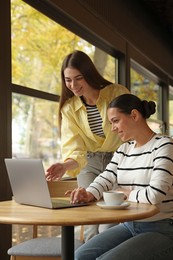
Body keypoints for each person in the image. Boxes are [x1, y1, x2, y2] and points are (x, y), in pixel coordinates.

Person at [70, 93, 173, 260]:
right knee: (80, 255)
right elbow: (106, 177)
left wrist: (125, 193)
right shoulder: (124, 149)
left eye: (115, 121)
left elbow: (155, 194)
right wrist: (88, 193)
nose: (113, 128)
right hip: (129, 225)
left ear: (134, 115)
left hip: (161, 228)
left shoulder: (164, 145)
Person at [46, 50, 129, 241]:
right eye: (68, 80)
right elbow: (75, 148)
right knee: (89, 222)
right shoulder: (69, 109)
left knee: (109, 222)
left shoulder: (117, 93)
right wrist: (64, 166)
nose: (73, 85)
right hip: (88, 164)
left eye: (78, 78)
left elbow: (132, 129)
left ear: (89, 74)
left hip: (119, 161)